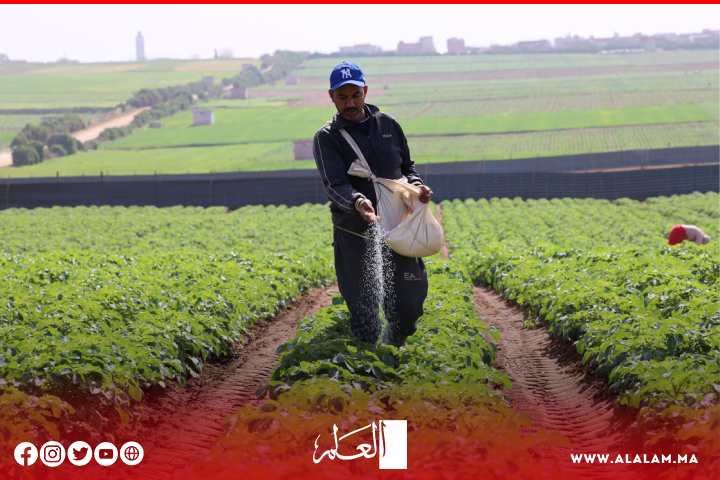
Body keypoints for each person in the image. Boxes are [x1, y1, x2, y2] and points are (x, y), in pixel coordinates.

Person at [313, 62, 433, 348]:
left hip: (398, 230)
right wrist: (359, 203)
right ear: (331, 96)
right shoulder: (327, 138)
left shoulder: (388, 125)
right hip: (356, 235)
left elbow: (406, 166)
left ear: (365, 91)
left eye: (355, 95)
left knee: (410, 304)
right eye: (343, 97)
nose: (350, 103)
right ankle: (368, 369)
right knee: (364, 311)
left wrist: (416, 187)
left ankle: (394, 345)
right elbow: (335, 185)